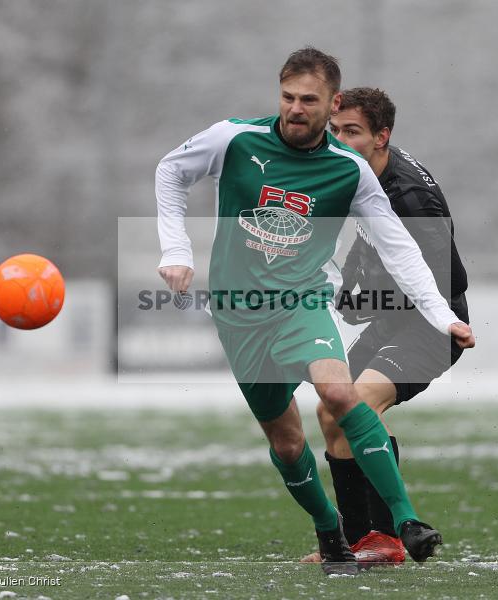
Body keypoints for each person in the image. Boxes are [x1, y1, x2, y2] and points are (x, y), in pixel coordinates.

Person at [155, 47, 475, 575]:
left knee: (338, 394)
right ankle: (332, 534)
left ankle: (405, 521)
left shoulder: (349, 170)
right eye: (288, 97)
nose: (295, 108)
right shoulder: (233, 138)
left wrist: (443, 317)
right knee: (287, 442)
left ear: (332, 103)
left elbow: (401, 248)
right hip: (239, 312)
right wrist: (175, 249)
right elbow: (170, 170)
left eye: (309, 100)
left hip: (303, 302)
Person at [297, 87, 471, 568]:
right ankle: (358, 542)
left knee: (357, 403)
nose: (338, 140)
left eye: (351, 132)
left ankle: (388, 537)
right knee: (331, 413)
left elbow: (453, 282)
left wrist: (370, 294)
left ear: (382, 136)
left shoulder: (410, 199)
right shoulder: (362, 171)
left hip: (434, 328)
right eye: (335, 130)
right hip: (394, 321)